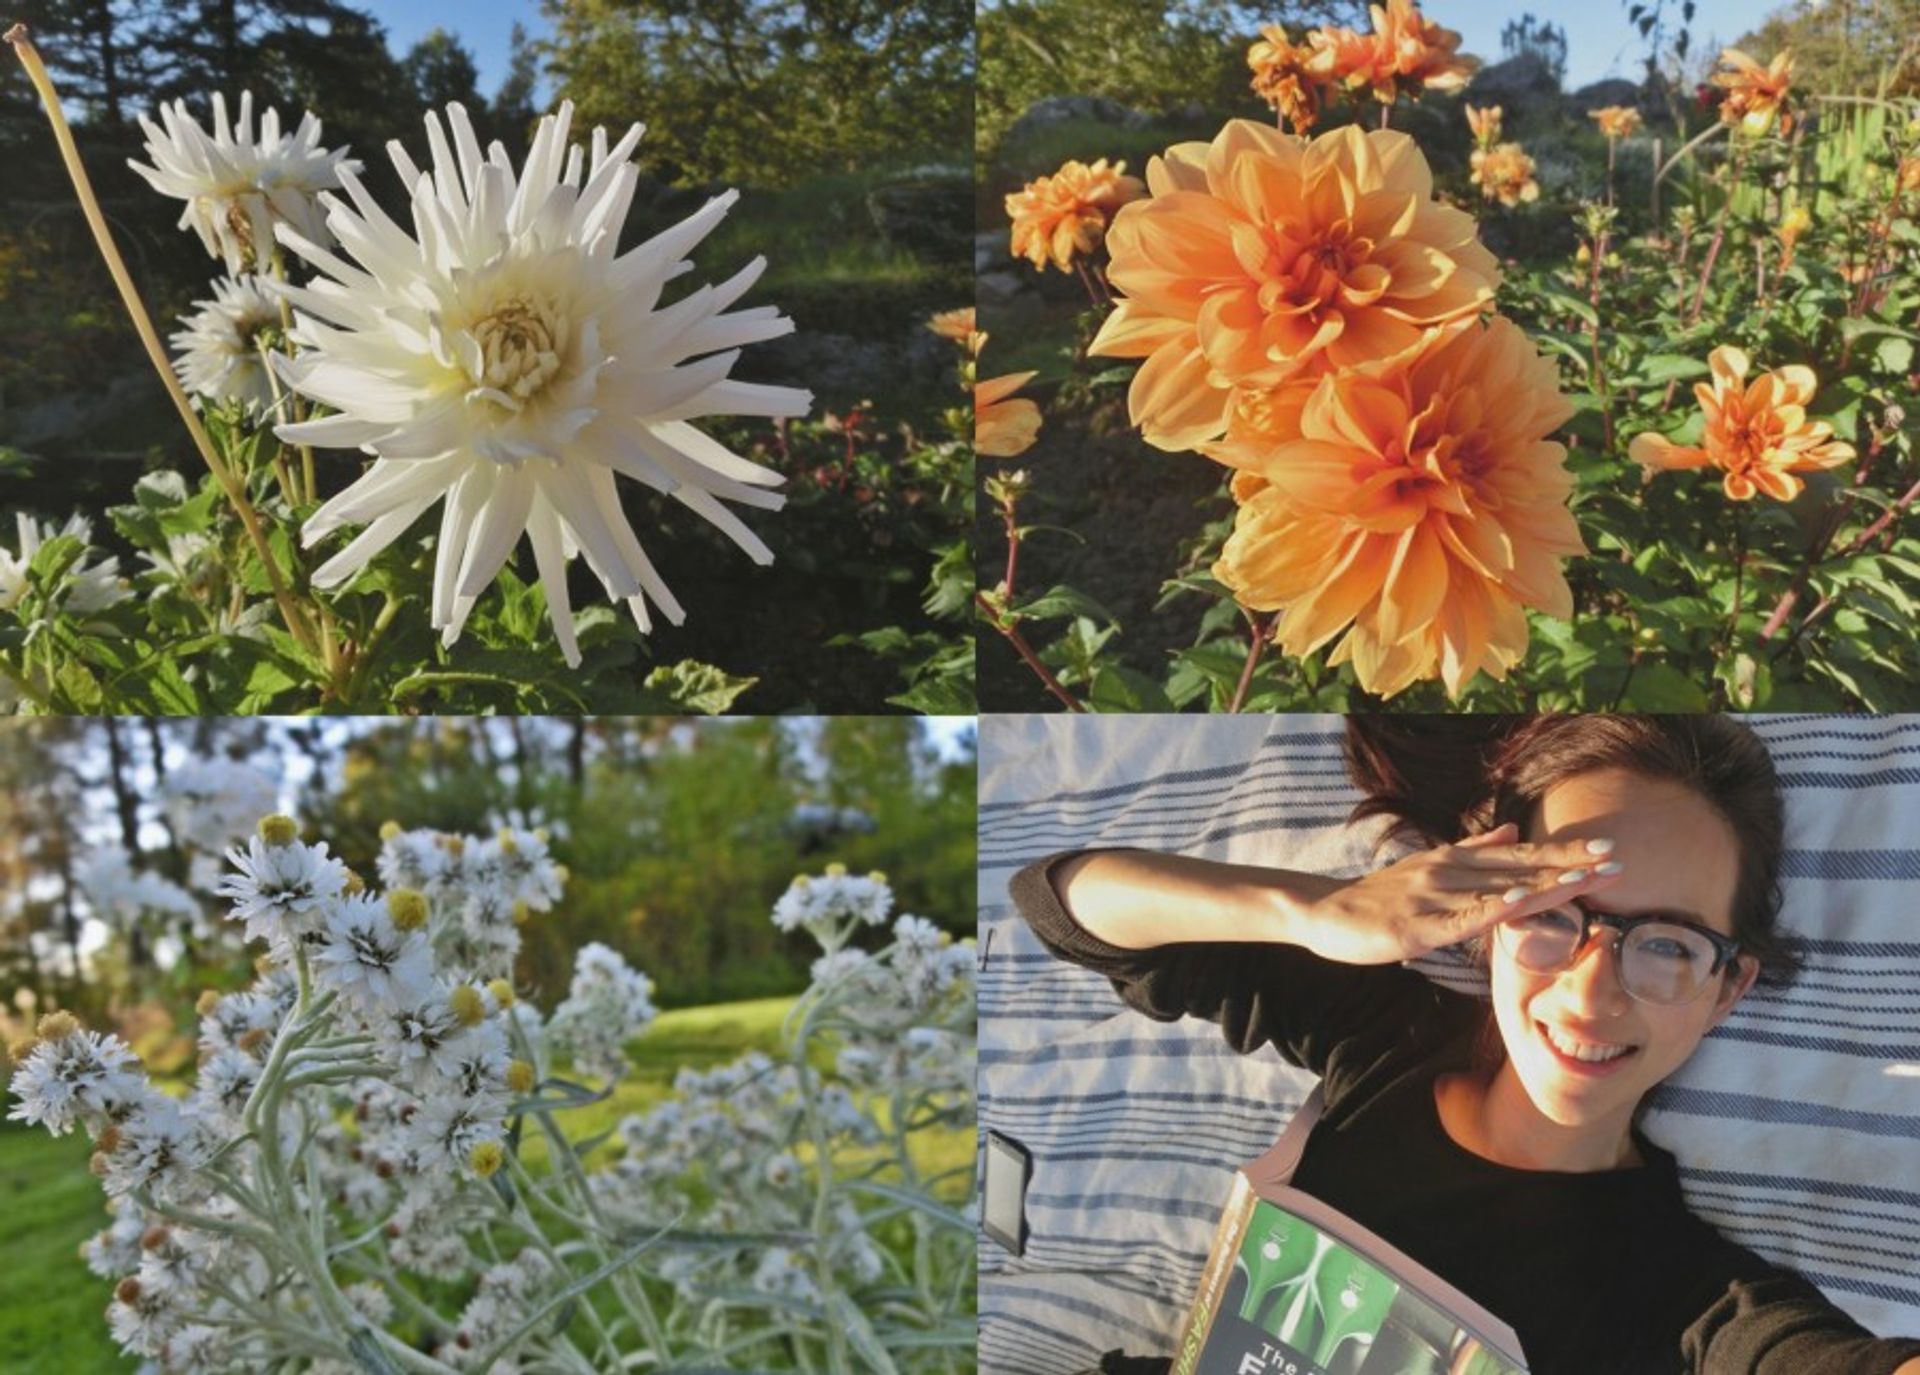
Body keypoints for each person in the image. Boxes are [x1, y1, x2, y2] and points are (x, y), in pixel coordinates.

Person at [1011, 715, 1920, 1375]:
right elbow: (1064, 902)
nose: (1590, 990)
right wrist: (1321, 912)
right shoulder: (1385, 1041)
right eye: (1555, 917)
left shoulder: (1682, 1289)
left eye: (1670, 945)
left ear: (1729, 987)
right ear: (1487, 919)